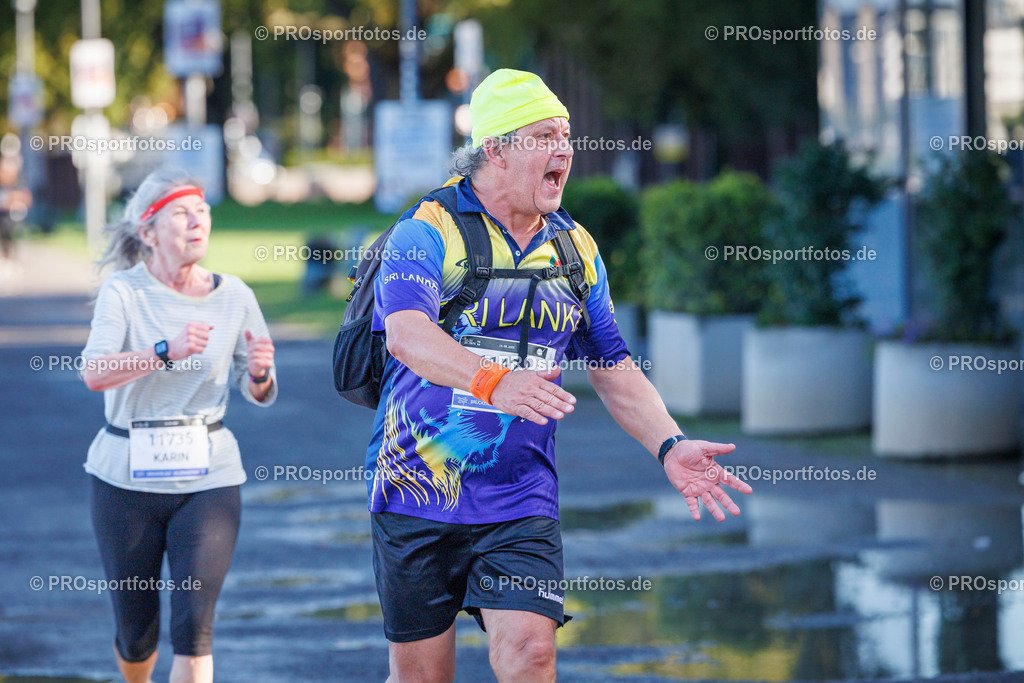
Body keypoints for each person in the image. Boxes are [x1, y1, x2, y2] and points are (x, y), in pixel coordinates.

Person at [363, 69, 753, 682]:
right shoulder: (425, 231)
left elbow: (613, 366)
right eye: (545, 135)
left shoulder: (575, 249)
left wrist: (670, 445)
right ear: (495, 149)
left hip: (521, 494)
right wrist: (496, 381)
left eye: (567, 135)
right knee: (421, 677)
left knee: (531, 654)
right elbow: (408, 336)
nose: (565, 150)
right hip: (417, 487)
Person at [80, 168, 277, 683]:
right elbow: (95, 374)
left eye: (203, 212)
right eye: (181, 214)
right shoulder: (123, 293)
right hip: (124, 480)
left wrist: (258, 372)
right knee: (136, 633)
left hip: (208, 478)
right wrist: (163, 352)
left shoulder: (235, 295)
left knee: (195, 630)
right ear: (148, 232)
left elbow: (255, 387)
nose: (197, 222)